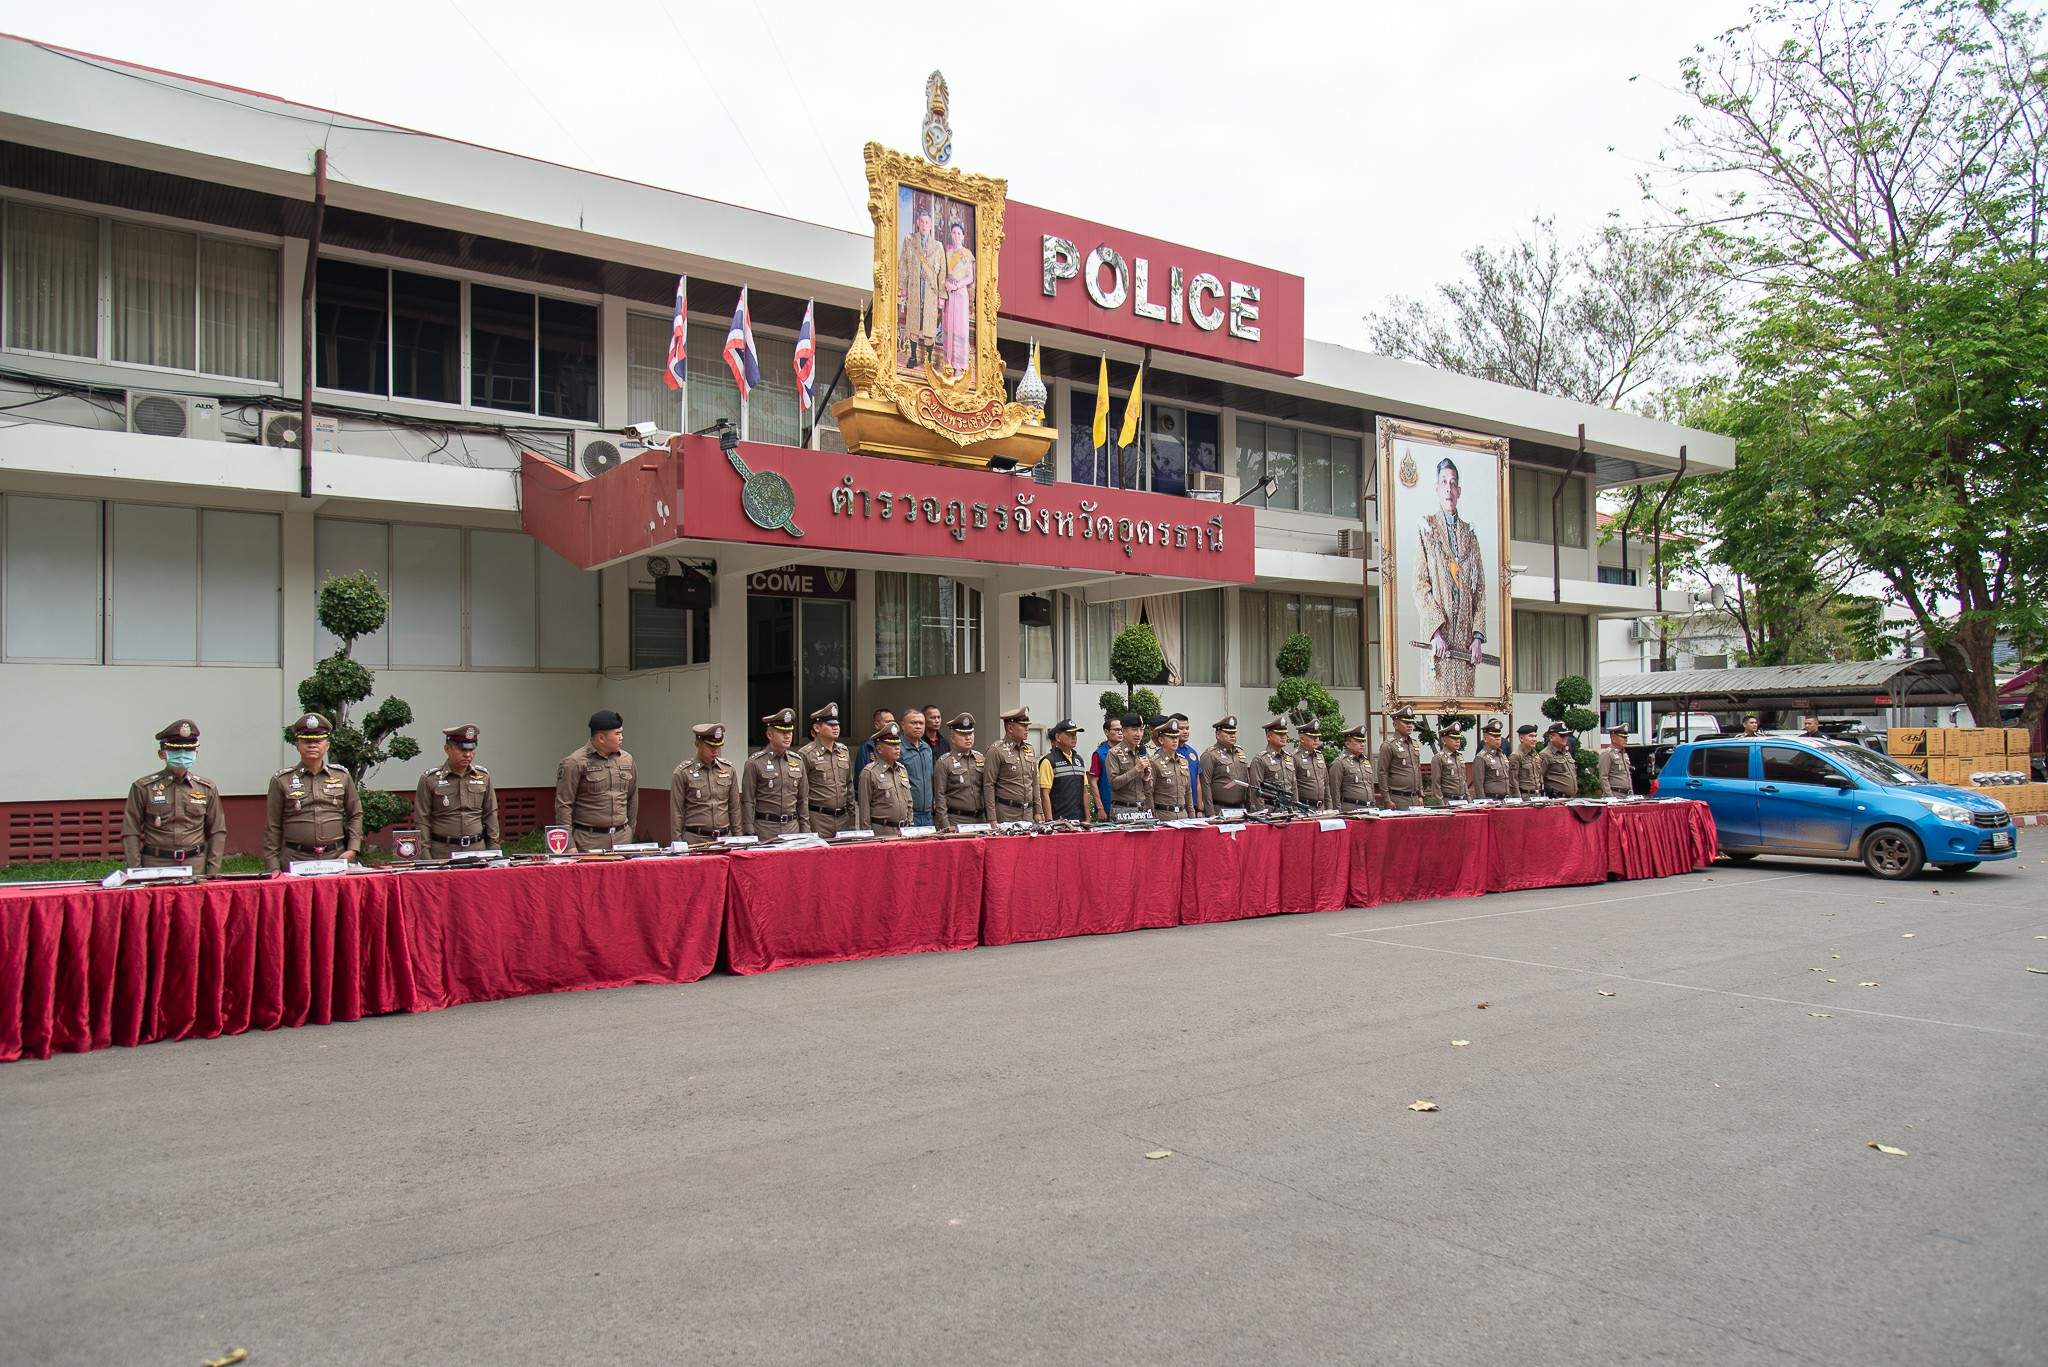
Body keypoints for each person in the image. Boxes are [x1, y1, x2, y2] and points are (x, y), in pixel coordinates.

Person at [1413, 456, 1488, 698]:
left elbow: (1480, 590)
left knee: (1465, 707)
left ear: (1459, 491)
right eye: (1444, 482)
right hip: (1440, 646)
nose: (1449, 488)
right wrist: (1435, 633)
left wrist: (1477, 638)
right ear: (1437, 488)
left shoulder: (1470, 534)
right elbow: (1420, 585)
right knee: (1438, 703)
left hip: (1465, 647)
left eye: (1453, 483)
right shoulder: (1427, 529)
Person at [121, 718, 226, 878]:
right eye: (176, 751)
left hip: (195, 865)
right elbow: (131, 831)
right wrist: (135, 871)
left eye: (188, 750)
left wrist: (213, 871)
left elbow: (217, 831)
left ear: (195, 754)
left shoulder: (206, 788)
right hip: (156, 864)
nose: (183, 755)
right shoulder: (143, 788)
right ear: (162, 754)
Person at [265, 712, 363, 870]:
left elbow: (355, 814)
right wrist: (273, 867)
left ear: (327, 745)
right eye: (306, 741)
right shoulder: (281, 780)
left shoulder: (342, 776)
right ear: (297, 745)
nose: (312, 745)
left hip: (335, 857)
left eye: (318, 741)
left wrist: (353, 848)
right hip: (295, 859)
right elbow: (273, 826)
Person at [555, 710, 638, 851]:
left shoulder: (626, 759)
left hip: (622, 839)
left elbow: (632, 798)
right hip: (589, 840)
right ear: (601, 738)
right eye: (617, 734)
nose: (621, 737)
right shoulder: (575, 762)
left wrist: (630, 831)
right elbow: (564, 805)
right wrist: (568, 845)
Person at [414, 723, 499, 859]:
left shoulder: (483, 777)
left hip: (477, 849)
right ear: (447, 749)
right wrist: (425, 856)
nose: (468, 755)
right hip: (442, 852)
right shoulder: (430, 779)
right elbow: (422, 819)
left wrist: (494, 849)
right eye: (462, 750)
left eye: (471, 750)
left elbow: (491, 814)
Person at [742, 708, 809, 839]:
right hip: (766, 829)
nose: (787, 736)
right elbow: (748, 800)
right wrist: (749, 831)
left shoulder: (797, 761)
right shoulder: (755, 762)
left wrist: (806, 829)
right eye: (782, 732)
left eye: (789, 731)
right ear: (770, 735)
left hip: (792, 828)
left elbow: (803, 799)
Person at [671, 723, 741, 845]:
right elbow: (677, 812)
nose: (715, 751)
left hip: (724, 839)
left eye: (718, 746)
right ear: (697, 744)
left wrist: (739, 838)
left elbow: (734, 808)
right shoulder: (683, 772)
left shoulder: (728, 770)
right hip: (695, 839)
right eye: (710, 746)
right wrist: (677, 843)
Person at [898, 202, 944, 369]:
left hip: (931, 290)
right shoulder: (910, 241)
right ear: (918, 223)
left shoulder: (937, 246)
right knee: (913, 322)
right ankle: (912, 356)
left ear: (931, 225)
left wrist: (941, 296)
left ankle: (929, 359)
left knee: (930, 324)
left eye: (927, 222)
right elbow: (903, 264)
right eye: (922, 222)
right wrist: (903, 287)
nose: (924, 225)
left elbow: (942, 272)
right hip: (915, 287)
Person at [800, 702, 854, 836]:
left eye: (837, 724)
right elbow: (801, 793)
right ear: (817, 728)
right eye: (830, 725)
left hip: (843, 819)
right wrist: (805, 824)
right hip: (818, 818)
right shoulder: (806, 754)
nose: (836, 728)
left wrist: (852, 818)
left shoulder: (843, 751)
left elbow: (849, 786)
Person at [1038, 719, 1102, 822]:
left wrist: (1088, 819)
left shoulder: (1079, 760)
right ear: (1058, 737)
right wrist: (1050, 821)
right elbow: (1044, 794)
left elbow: (1085, 791)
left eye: (1075, 734)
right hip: (1059, 820)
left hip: (1080, 820)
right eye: (1069, 734)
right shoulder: (1049, 761)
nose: (1074, 737)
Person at [857, 722, 914, 835]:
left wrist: (910, 826)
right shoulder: (869, 772)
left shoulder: (902, 770)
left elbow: (909, 802)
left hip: (904, 831)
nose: (897, 748)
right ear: (879, 749)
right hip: (882, 831)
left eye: (898, 744)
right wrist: (867, 835)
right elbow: (864, 808)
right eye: (892, 745)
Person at [932, 714, 987, 832]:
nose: (968, 738)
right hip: (957, 820)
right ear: (952, 738)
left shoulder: (980, 759)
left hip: (980, 820)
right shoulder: (944, 762)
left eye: (970, 734)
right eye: (963, 735)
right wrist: (946, 825)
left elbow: (987, 790)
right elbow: (940, 797)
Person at [984, 706, 1039, 823]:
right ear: (1010, 728)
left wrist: (1038, 811)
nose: (1027, 729)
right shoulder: (996, 750)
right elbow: (989, 785)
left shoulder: (1029, 749)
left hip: (1028, 813)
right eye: (1023, 725)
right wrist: (991, 818)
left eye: (1027, 725)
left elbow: (1034, 781)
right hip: (1007, 812)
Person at [941, 218, 974, 376]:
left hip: (960, 294)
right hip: (949, 293)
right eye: (953, 233)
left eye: (958, 233)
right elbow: (943, 273)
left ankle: (959, 366)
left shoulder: (967, 254)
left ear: (963, 236)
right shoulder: (947, 254)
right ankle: (948, 361)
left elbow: (970, 277)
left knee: (960, 328)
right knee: (949, 325)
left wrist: (957, 285)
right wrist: (947, 284)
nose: (956, 235)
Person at [1199, 716, 1253, 813]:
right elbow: (1205, 786)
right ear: (1218, 735)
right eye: (1228, 733)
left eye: (1234, 733)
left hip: (1241, 808)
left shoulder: (1240, 753)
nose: (1232, 736)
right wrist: (1210, 813)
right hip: (1220, 809)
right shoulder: (1210, 755)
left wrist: (1249, 808)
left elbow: (1247, 780)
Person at [1147, 719, 1200, 818]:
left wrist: (1192, 816)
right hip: (1163, 815)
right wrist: (1152, 817)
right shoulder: (1154, 762)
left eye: (1176, 737)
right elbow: (1149, 793)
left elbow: (1188, 792)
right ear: (1161, 740)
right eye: (1171, 737)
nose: (1175, 740)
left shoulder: (1183, 761)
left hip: (1183, 815)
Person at [1375, 706, 1425, 810]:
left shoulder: (1414, 744)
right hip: (1398, 799)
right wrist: (1387, 799)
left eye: (1411, 723)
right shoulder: (1388, 745)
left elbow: (1417, 769)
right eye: (1406, 723)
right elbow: (1382, 773)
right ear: (1395, 725)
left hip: (1415, 798)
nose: (1409, 725)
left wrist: (1420, 794)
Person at [1104, 711, 1152, 818]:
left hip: (1142, 809)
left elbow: (1149, 788)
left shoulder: (1143, 752)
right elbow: (1114, 783)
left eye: (1141, 730)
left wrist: (1146, 778)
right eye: (1134, 730)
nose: (1138, 734)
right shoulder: (1114, 753)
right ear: (1124, 731)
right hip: (1123, 810)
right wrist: (1136, 770)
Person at [1249, 719, 1298, 810]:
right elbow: (1256, 790)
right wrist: (1262, 813)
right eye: (1279, 734)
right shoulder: (1260, 759)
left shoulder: (1289, 758)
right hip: (1271, 811)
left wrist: (1296, 810)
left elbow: (1293, 788)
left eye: (1285, 734)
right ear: (1268, 736)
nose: (1283, 737)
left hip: (1289, 810)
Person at [899, 709, 936, 826]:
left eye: (921, 723)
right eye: (914, 723)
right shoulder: (897, 749)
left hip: (928, 813)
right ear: (903, 725)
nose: (918, 726)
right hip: (908, 813)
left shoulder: (927, 748)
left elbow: (931, 778)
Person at [1330, 725, 1377, 812]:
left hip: (1369, 809)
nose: (1362, 744)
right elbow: (1334, 791)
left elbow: (1371, 787)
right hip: (1351, 809)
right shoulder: (1340, 763)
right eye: (1358, 741)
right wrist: (1337, 812)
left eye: (1363, 741)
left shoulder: (1366, 762)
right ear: (1348, 744)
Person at [1089, 715, 1123, 815]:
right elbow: (1093, 782)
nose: (1120, 732)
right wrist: (1100, 808)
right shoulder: (1100, 754)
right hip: (1108, 806)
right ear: (1106, 732)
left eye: (1122, 729)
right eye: (1116, 730)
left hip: (1127, 805)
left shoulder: (1128, 751)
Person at [1292, 721, 1329, 810]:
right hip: (1304, 807)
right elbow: (1293, 786)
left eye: (1317, 737)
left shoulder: (1320, 756)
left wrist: (1330, 808)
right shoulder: (1294, 757)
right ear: (1302, 739)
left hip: (1321, 808)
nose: (1316, 740)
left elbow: (1326, 784)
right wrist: (1295, 809)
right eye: (1312, 737)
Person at [853, 707, 895, 783]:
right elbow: (860, 779)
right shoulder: (867, 747)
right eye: (888, 722)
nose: (892, 725)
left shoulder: (898, 745)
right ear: (877, 725)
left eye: (893, 722)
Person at [1474, 720, 1513, 800]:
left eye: (1499, 736)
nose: (1498, 738)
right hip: (1491, 799)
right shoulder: (1481, 757)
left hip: (1506, 799)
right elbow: (1478, 784)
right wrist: (1483, 802)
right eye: (1494, 736)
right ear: (1485, 738)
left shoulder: (1502, 755)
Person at [1539, 722, 1580, 798]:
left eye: (1567, 735)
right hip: (1555, 798)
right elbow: (1539, 778)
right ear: (1551, 737)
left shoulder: (1566, 753)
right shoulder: (1545, 754)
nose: (1565, 738)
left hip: (1570, 798)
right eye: (1562, 735)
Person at [1433, 726, 1471, 802]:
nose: (1457, 741)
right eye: (1454, 738)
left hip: (1463, 801)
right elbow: (1436, 784)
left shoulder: (1460, 757)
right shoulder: (1439, 758)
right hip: (1448, 800)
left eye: (1458, 738)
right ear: (1444, 740)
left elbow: (1463, 781)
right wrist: (1441, 804)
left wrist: (1469, 799)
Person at [1172, 714, 1200, 810]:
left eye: (1187, 728)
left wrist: (1200, 807)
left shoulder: (1192, 752)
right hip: (1176, 807)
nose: (1185, 731)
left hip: (1194, 806)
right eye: (1181, 728)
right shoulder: (1167, 752)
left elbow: (1198, 781)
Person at [1599, 723, 1635, 797]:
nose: (1626, 740)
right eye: (1622, 737)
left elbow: (1627, 774)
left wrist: (1631, 792)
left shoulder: (1623, 754)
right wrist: (1610, 796)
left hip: (1627, 794)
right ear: (1613, 738)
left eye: (1626, 737)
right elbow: (1603, 777)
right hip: (1615, 794)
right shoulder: (1607, 754)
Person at [1511, 723, 1543, 798]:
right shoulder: (1516, 756)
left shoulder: (1535, 755)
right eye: (1531, 736)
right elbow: (1513, 780)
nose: (1534, 739)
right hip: (1524, 797)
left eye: (1535, 736)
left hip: (1538, 795)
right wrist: (1518, 799)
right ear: (1521, 738)